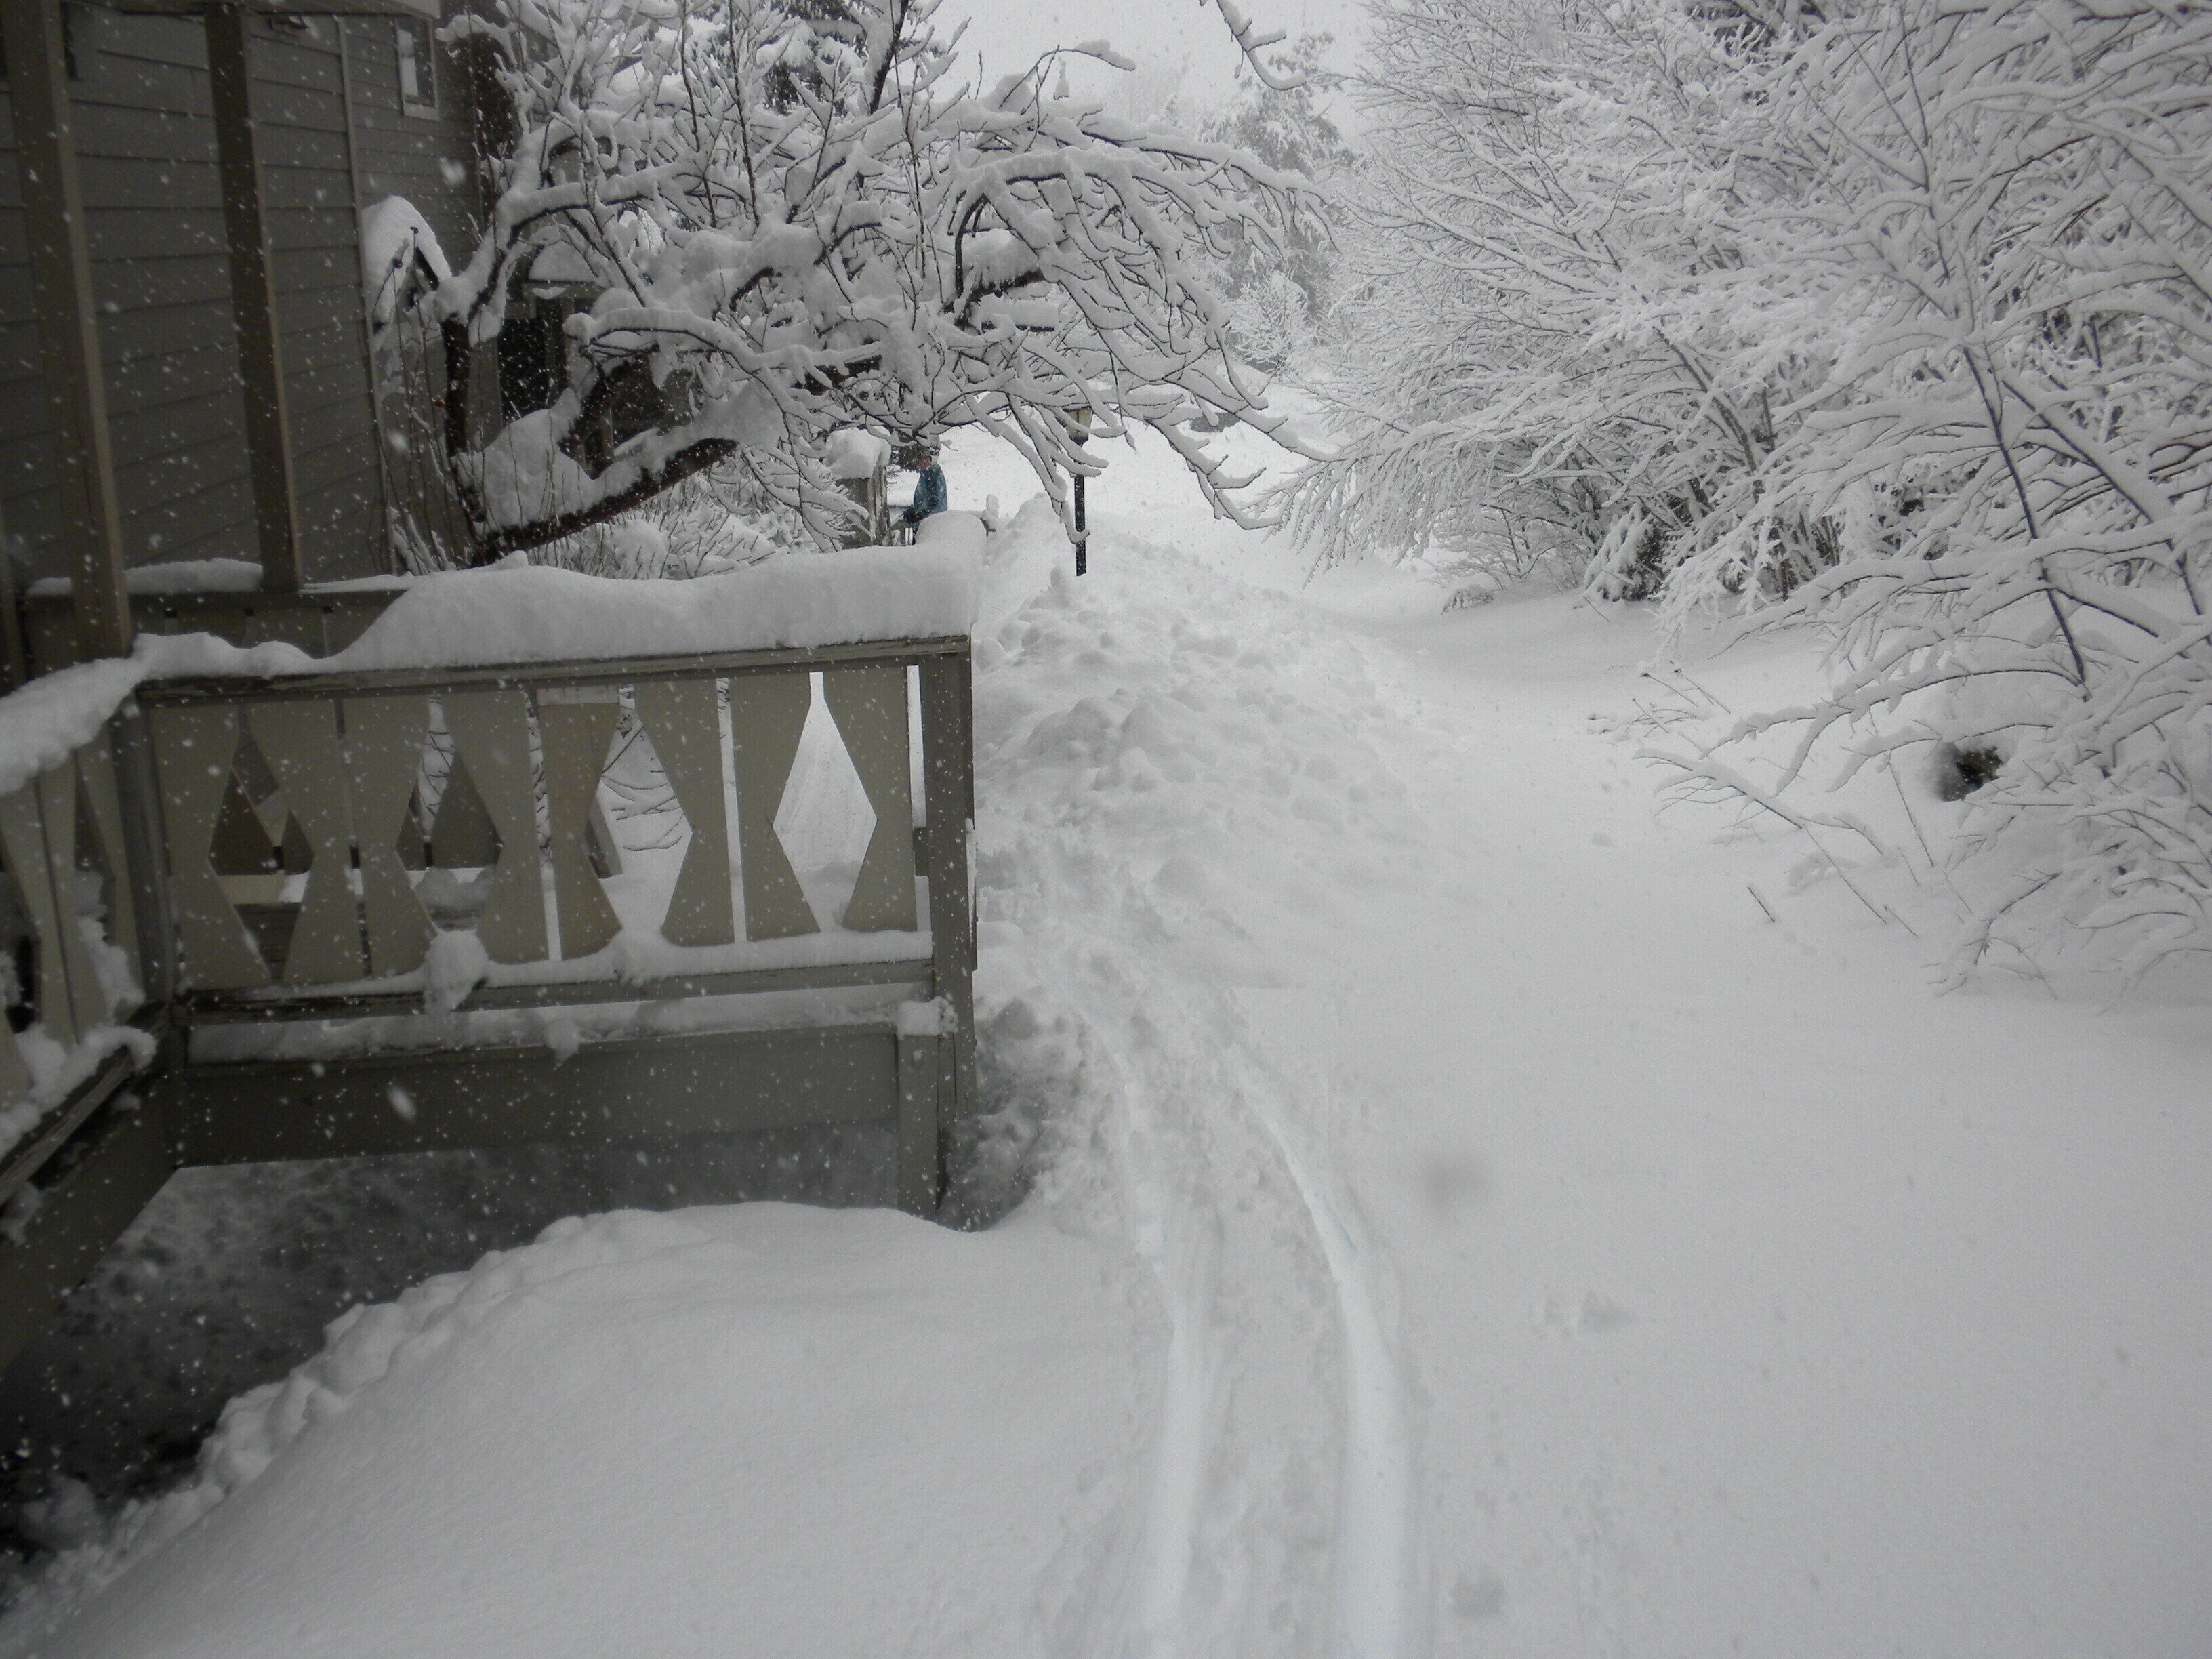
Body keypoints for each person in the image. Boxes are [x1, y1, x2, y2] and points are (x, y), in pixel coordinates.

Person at [903, 443, 947, 526]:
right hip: (930, 524)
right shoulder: (927, 474)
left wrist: (920, 515)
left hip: (931, 526)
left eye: (924, 459)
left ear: (933, 458)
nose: (920, 462)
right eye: (919, 458)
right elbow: (924, 499)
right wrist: (914, 510)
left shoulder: (932, 475)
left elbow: (934, 503)